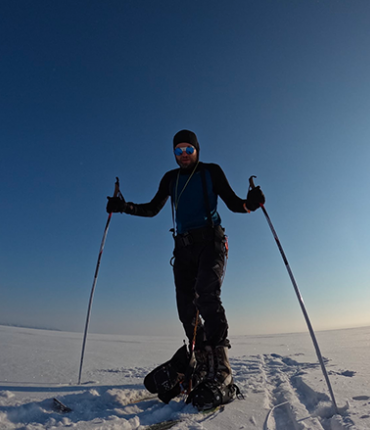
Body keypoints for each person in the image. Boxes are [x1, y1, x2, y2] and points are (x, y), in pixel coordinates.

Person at [106, 129, 265, 410]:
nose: (183, 156)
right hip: (183, 249)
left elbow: (233, 203)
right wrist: (123, 207)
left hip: (211, 243)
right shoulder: (171, 179)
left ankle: (222, 370)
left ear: (197, 150)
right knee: (186, 309)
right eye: (178, 151)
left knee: (207, 295)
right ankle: (202, 364)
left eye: (188, 150)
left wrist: (249, 203)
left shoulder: (211, 172)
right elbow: (153, 209)